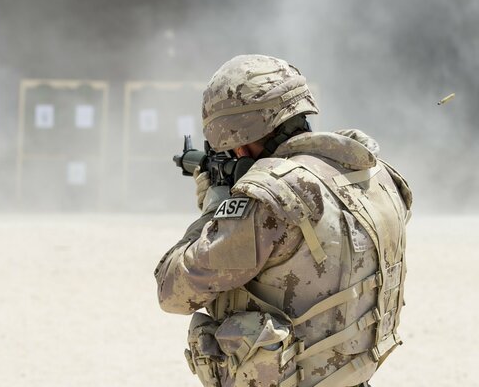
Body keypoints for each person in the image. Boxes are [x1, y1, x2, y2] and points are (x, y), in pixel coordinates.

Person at [154, 54, 412, 387]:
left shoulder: (271, 196)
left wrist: (214, 207)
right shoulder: (373, 174)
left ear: (241, 143)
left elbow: (173, 292)